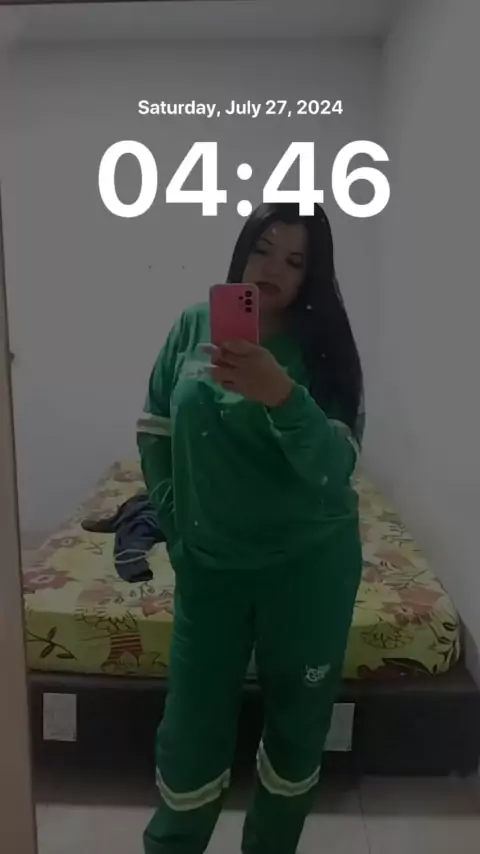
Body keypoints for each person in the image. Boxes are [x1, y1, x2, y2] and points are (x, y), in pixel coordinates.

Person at [137, 202, 365, 854]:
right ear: (241, 251)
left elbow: (336, 469)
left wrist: (283, 396)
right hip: (209, 568)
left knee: (296, 731)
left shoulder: (325, 348)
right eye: (262, 249)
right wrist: (176, 523)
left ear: (312, 274)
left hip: (307, 572)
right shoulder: (193, 326)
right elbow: (154, 428)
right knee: (188, 732)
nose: (271, 271)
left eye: (294, 261)